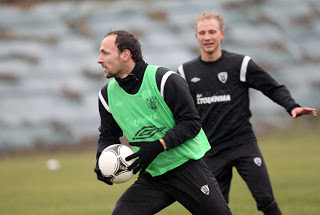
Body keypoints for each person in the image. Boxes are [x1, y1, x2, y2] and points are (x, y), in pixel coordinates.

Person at [177, 12, 317, 215]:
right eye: (203, 32)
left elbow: (272, 87)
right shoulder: (185, 71)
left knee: (266, 200)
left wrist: (291, 106)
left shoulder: (240, 64)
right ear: (196, 37)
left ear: (222, 34)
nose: (208, 36)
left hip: (243, 145)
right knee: (214, 209)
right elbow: (177, 107)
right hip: (210, 150)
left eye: (212, 32)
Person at [94, 30, 232, 215]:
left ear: (125, 55)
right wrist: (103, 157)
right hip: (153, 176)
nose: (99, 59)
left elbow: (191, 123)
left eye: (105, 53)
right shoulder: (106, 96)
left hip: (187, 167)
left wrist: (159, 145)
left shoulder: (165, 80)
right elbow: (109, 135)